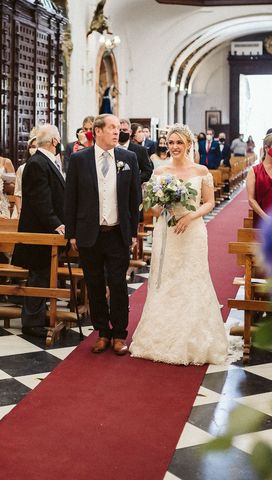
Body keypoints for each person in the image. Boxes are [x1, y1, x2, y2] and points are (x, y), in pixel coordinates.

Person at [129, 124, 232, 365]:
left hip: (193, 230)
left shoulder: (200, 170)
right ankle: (161, 336)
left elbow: (209, 202)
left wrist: (191, 216)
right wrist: (160, 205)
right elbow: (153, 209)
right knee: (165, 278)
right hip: (167, 231)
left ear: (188, 145)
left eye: (178, 143)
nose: (174, 147)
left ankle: (193, 337)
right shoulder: (160, 172)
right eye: (170, 143)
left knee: (192, 278)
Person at [64, 114, 141, 355]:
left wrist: (134, 231)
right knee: (95, 284)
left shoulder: (129, 158)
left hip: (117, 233)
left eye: (118, 128)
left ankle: (119, 333)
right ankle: (102, 332)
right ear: (97, 131)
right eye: (111, 128)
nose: (117, 132)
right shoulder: (79, 159)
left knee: (117, 283)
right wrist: (71, 232)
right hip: (89, 232)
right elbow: (71, 198)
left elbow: (134, 198)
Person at [12, 124, 66, 338]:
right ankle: (31, 322)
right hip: (40, 232)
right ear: (54, 141)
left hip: (45, 230)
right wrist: (56, 223)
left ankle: (37, 313)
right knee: (38, 275)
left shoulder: (45, 161)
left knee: (42, 274)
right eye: (59, 139)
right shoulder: (37, 163)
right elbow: (40, 200)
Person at [13, 127, 38, 218]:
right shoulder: (22, 168)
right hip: (24, 209)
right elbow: (18, 193)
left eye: (38, 147)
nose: (35, 149)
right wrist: (20, 212)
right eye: (33, 147)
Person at [119, 118, 153, 184]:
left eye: (125, 130)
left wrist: (135, 180)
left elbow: (147, 171)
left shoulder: (140, 150)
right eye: (119, 130)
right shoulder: (110, 148)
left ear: (130, 132)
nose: (122, 132)